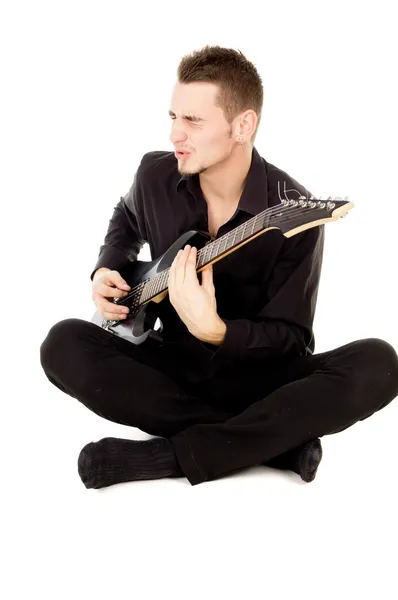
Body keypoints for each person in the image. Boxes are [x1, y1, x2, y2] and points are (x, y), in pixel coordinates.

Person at [39, 45, 398, 489]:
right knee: (62, 344)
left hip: (258, 377)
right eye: (173, 117)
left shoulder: (292, 213)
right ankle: (273, 443)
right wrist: (106, 267)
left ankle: (170, 456)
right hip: (170, 367)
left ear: (242, 125)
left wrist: (218, 332)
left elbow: (291, 341)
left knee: (379, 362)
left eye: (193, 121)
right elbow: (126, 217)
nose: (175, 135)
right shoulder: (154, 174)